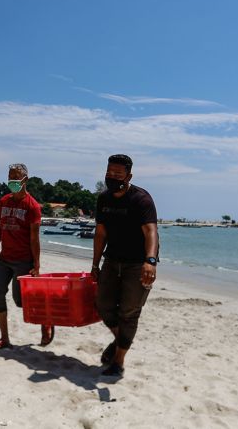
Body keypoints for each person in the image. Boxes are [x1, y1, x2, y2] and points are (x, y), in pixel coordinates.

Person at [91, 154, 159, 378]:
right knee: (103, 305)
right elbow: (100, 233)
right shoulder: (104, 199)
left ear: (129, 176)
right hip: (112, 260)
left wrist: (150, 261)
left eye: (117, 174)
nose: (112, 177)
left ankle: (118, 361)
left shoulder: (141, 199)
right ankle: (120, 340)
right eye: (109, 173)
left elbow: (151, 231)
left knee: (129, 313)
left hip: (137, 264)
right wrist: (95, 264)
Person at [0, 163, 53, 350]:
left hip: (23, 261)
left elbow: (34, 239)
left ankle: (45, 321)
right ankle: (4, 338)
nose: (12, 181)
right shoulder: (4, 201)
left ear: (25, 180)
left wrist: (36, 265)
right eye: (10, 177)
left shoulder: (33, 207)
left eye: (16, 177)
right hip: (4, 259)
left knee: (20, 301)